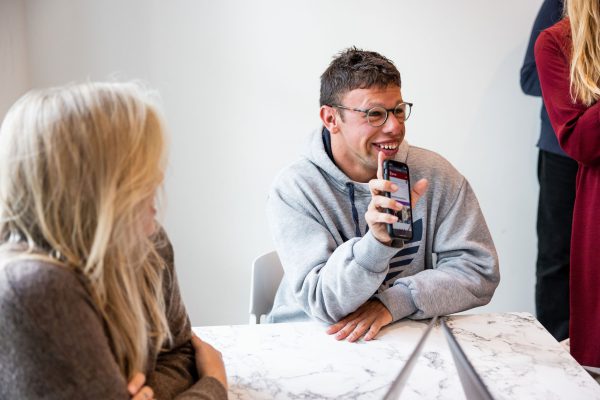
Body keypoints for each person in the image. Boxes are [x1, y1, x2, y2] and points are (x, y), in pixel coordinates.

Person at [0, 82, 228, 399]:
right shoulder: (33, 288)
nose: (159, 177)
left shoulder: (149, 242)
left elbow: (181, 355)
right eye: (138, 167)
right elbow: (202, 369)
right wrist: (214, 384)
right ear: (88, 185)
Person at [266, 48, 500, 342]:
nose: (394, 127)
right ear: (330, 118)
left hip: (400, 333)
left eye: (399, 111)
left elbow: (479, 271)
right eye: (374, 114)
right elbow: (323, 304)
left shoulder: (435, 174)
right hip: (307, 336)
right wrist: (376, 244)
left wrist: (394, 303)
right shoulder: (295, 188)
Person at [535, 0, 600, 367]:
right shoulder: (558, 37)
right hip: (569, 159)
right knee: (556, 261)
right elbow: (581, 140)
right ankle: (560, 364)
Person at [520, 0, 576, 342]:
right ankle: (557, 349)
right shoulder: (561, 3)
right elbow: (529, 77)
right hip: (563, 153)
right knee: (557, 257)